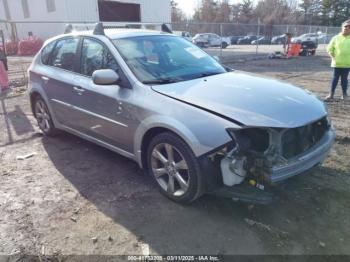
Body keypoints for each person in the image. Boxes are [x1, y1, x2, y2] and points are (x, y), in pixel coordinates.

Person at [326, 19, 350, 100]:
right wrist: (333, 56)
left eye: (349, 27)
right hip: (337, 63)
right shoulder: (336, 38)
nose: (347, 28)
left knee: (344, 79)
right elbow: (329, 48)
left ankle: (344, 95)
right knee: (335, 79)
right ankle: (331, 94)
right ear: (342, 27)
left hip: (347, 64)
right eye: (345, 26)